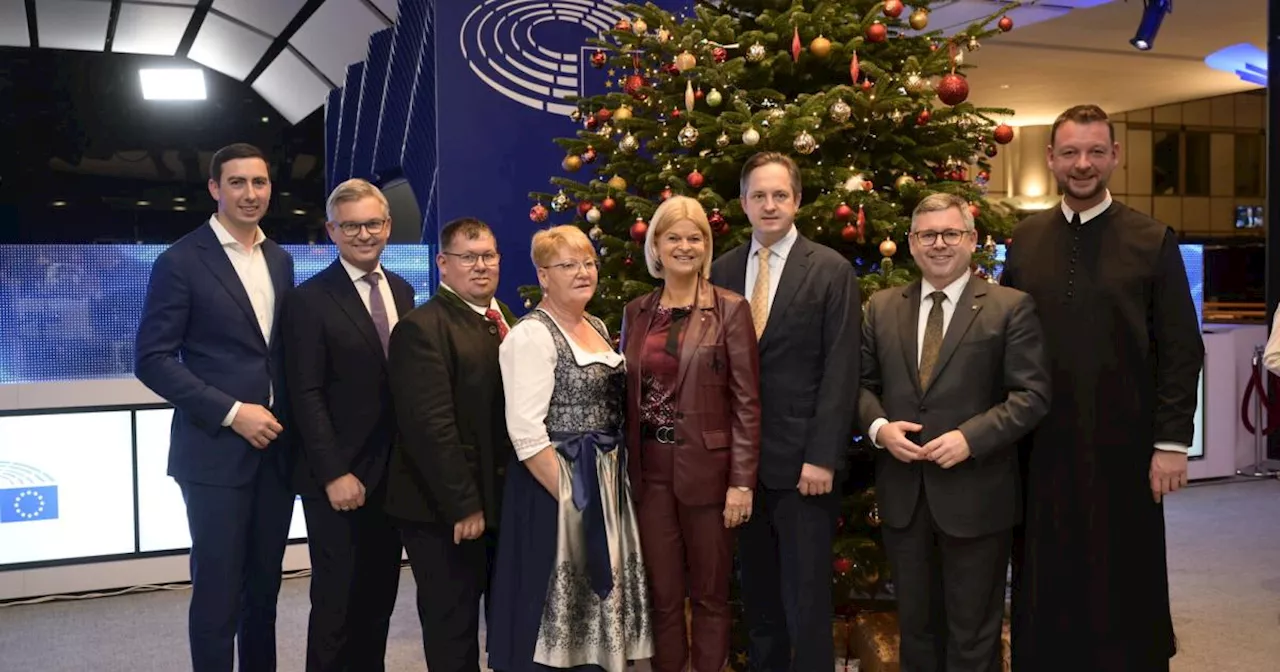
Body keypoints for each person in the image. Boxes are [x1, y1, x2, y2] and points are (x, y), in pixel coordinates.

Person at [1002, 104, 1205, 672]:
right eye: (1070, 152)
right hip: (1039, 446)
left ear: (1116, 155)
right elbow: (1001, 343)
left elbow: (1181, 349)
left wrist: (1171, 443)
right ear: (1051, 159)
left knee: (1126, 573)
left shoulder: (1152, 239)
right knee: (1045, 573)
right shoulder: (1025, 240)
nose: (1082, 164)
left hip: (1127, 447)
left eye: (1095, 151)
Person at [858, 193, 1051, 672]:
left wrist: (971, 438)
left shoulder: (1010, 307)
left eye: (951, 234)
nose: (939, 244)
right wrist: (879, 429)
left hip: (978, 496)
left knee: (973, 637)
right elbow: (858, 387)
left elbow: (1032, 396)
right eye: (927, 235)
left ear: (972, 240)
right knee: (917, 632)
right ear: (910, 243)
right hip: (905, 497)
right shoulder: (881, 308)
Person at [134, 143, 296, 672]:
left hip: (275, 453)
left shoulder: (280, 258)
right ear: (214, 189)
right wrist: (233, 411)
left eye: (260, 183)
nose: (251, 194)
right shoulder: (181, 260)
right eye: (238, 183)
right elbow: (153, 359)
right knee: (217, 594)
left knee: (264, 594)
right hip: (213, 454)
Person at [709, 152, 861, 671]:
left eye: (780, 195)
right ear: (744, 203)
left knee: (806, 601)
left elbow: (842, 370)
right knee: (759, 599)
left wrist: (822, 457)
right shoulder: (722, 269)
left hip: (803, 470)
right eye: (758, 195)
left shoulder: (831, 270)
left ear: (796, 200)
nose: (769, 205)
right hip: (740, 470)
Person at [487, 225, 653, 672]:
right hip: (560, 486)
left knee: (598, 597)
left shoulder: (596, 325)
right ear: (543, 276)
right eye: (568, 265)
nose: (583, 272)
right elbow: (525, 432)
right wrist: (573, 502)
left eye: (588, 263)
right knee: (557, 597)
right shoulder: (531, 335)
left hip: (605, 479)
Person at [620, 196, 761, 672]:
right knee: (662, 597)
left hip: (711, 476)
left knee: (710, 596)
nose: (685, 246)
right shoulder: (636, 312)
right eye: (673, 237)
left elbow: (746, 402)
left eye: (694, 237)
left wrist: (741, 482)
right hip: (650, 477)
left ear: (706, 245)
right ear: (656, 246)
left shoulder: (731, 309)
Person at [283, 178, 414, 672]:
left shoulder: (401, 289)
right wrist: (334, 472)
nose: (364, 234)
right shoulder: (309, 300)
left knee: (379, 598)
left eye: (373, 223)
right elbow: (305, 394)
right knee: (337, 602)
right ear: (332, 231)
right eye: (352, 226)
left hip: (392, 475)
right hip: (338, 478)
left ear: (388, 226)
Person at [384, 217, 515, 671]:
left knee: (505, 624)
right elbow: (431, 429)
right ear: (442, 263)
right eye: (468, 257)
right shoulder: (421, 328)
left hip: (498, 502)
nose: (481, 266)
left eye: (489, 256)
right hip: (444, 512)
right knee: (452, 631)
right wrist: (464, 506)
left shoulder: (506, 320)